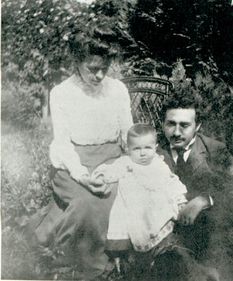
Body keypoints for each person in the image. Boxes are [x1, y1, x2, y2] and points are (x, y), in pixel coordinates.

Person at [25, 21, 133, 280]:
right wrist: (84, 176)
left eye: (104, 69)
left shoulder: (117, 89)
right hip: (73, 162)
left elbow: (128, 137)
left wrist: (117, 169)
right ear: (76, 60)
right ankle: (93, 266)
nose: (98, 76)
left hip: (111, 159)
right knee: (88, 203)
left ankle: (127, 253)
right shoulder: (62, 93)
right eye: (92, 69)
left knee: (125, 194)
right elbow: (62, 143)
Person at [156, 86, 233, 275]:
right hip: (165, 235)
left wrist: (205, 200)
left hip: (209, 235)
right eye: (170, 124)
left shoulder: (214, 150)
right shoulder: (151, 150)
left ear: (197, 126)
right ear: (162, 124)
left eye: (184, 125)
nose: (176, 132)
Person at [94, 123, 187, 254]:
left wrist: (179, 199)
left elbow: (170, 180)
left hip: (159, 203)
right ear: (128, 149)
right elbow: (111, 171)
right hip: (138, 206)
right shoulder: (126, 162)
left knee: (165, 213)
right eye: (136, 149)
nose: (143, 153)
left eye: (147, 148)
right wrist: (102, 176)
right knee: (141, 225)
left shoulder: (158, 163)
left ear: (155, 148)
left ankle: (169, 245)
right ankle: (151, 252)